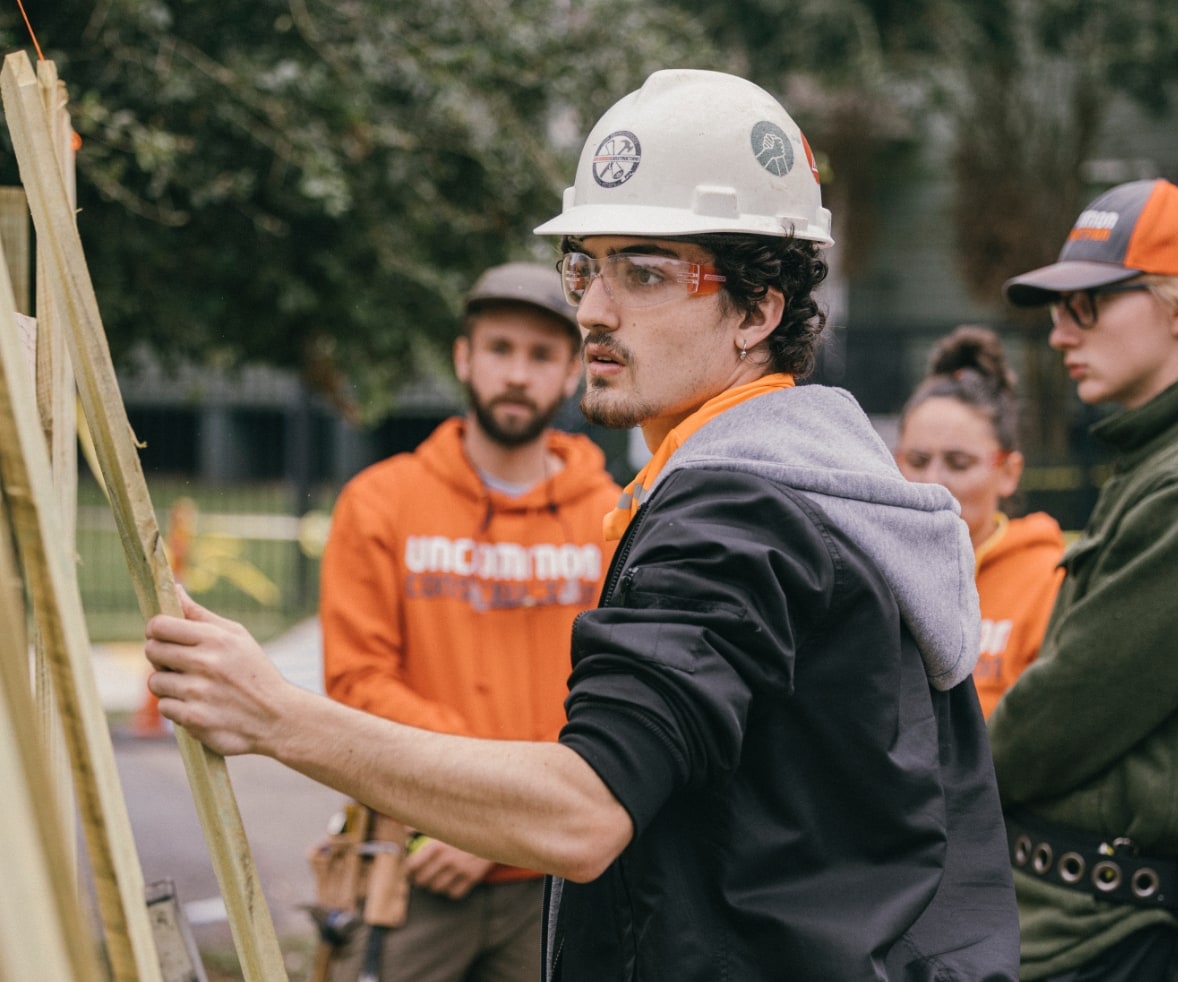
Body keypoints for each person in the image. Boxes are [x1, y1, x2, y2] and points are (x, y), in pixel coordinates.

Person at [144, 68, 1020, 980]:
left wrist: (275, 716)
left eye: (644, 273)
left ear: (757, 311)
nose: (593, 311)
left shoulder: (736, 514)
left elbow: (583, 812)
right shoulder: (833, 493)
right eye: (584, 267)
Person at [991, 177, 1178, 980]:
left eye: (1087, 304)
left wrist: (923, 783)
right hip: (1080, 917)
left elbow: (1061, 714)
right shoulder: (1168, 458)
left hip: (1103, 938)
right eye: (1057, 309)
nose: (1058, 333)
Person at [320, 262, 621, 982]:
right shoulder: (380, 503)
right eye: (499, 349)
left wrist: (504, 824)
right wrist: (479, 808)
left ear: (571, 370)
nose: (518, 373)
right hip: (417, 863)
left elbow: (621, 699)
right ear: (463, 358)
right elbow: (358, 683)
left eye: (542, 354)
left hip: (557, 879)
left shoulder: (614, 519)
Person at [895, 325, 1064, 717]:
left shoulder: (1048, 583)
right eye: (917, 461)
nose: (933, 481)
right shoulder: (871, 571)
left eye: (959, 463)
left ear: (1009, 471)